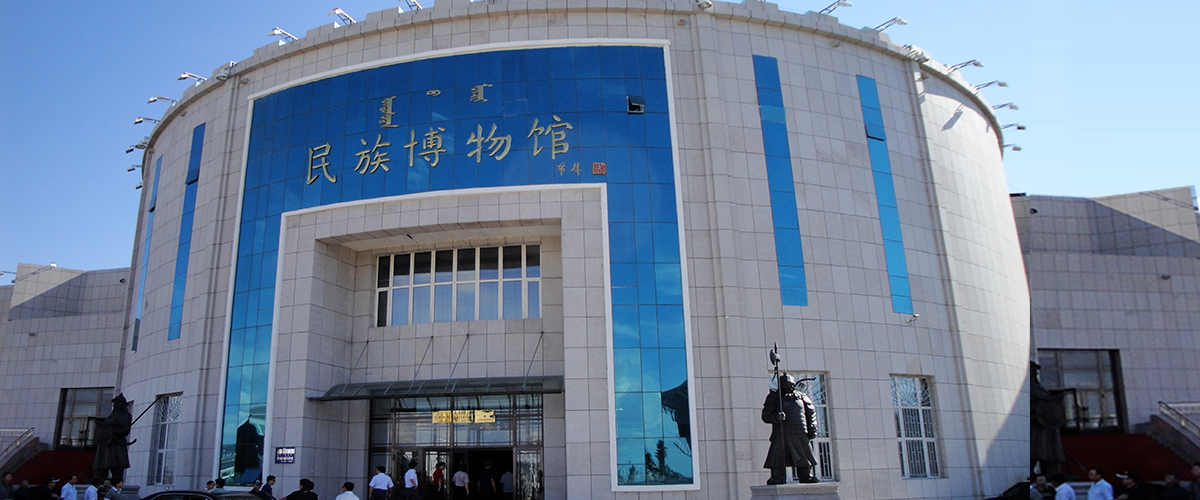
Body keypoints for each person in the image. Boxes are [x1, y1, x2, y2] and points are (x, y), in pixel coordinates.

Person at [761, 373, 819, 484]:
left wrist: (812, 427)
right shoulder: (774, 397)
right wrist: (776, 417)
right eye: (785, 385)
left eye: (790, 385)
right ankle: (777, 477)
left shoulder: (802, 396)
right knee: (778, 457)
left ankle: (806, 476)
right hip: (782, 432)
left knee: (804, 456)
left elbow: (811, 413)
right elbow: (766, 416)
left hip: (800, 431)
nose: (788, 387)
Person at [93, 394, 134, 483]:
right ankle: (99, 479)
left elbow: (125, 430)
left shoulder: (126, 415)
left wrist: (112, 430)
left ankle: (116, 480)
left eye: (117, 403)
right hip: (106, 442)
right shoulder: (112, 415)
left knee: (117, 464)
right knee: (102, 463)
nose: (115, 405)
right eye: (115, 403)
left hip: (117, 442)